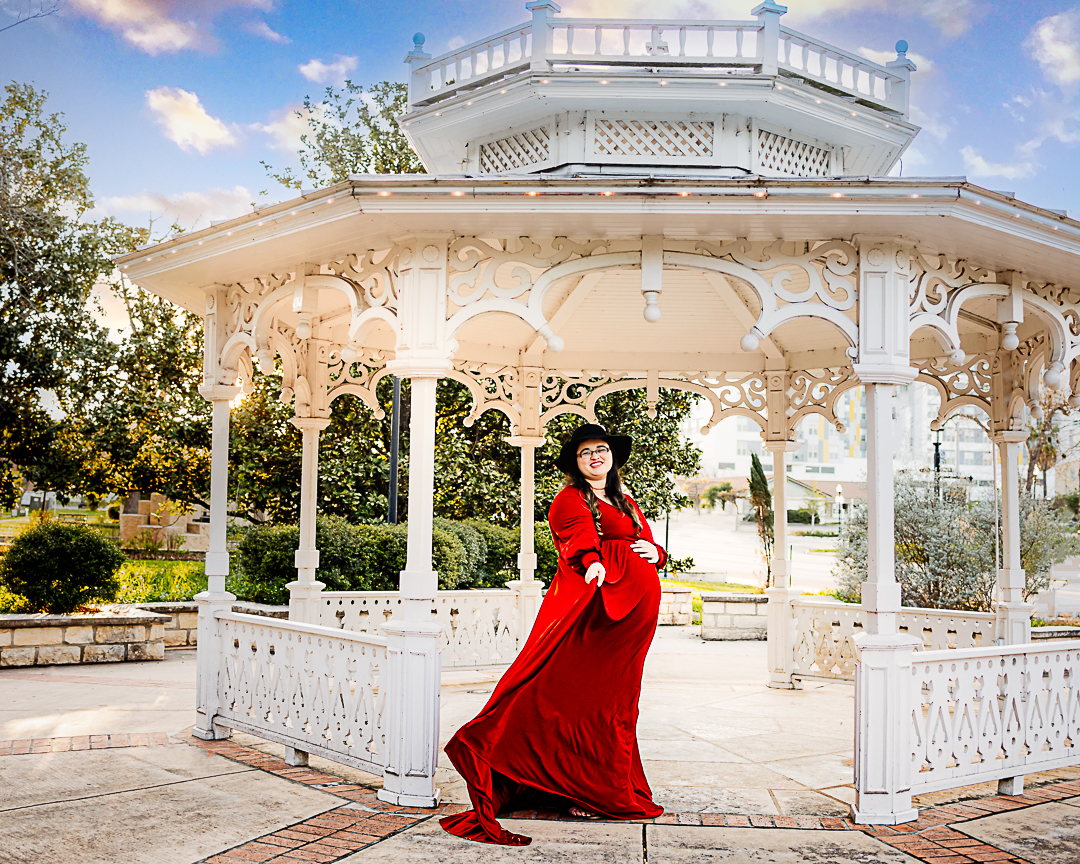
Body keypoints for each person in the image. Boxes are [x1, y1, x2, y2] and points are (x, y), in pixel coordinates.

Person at [440, 423, 668, 846]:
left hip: (633, 617)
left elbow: (645, 540)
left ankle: (598, 782)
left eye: (601, 450)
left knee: (618, 700)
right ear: (576, 463)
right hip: (597, 611)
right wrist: (591, 562)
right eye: (586, 453)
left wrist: (657, 553)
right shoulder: (569, 498)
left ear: (612, 457)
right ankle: (581, 785)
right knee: (579, 695)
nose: (596, 456)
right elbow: (577, 539)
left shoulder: (624, 499)